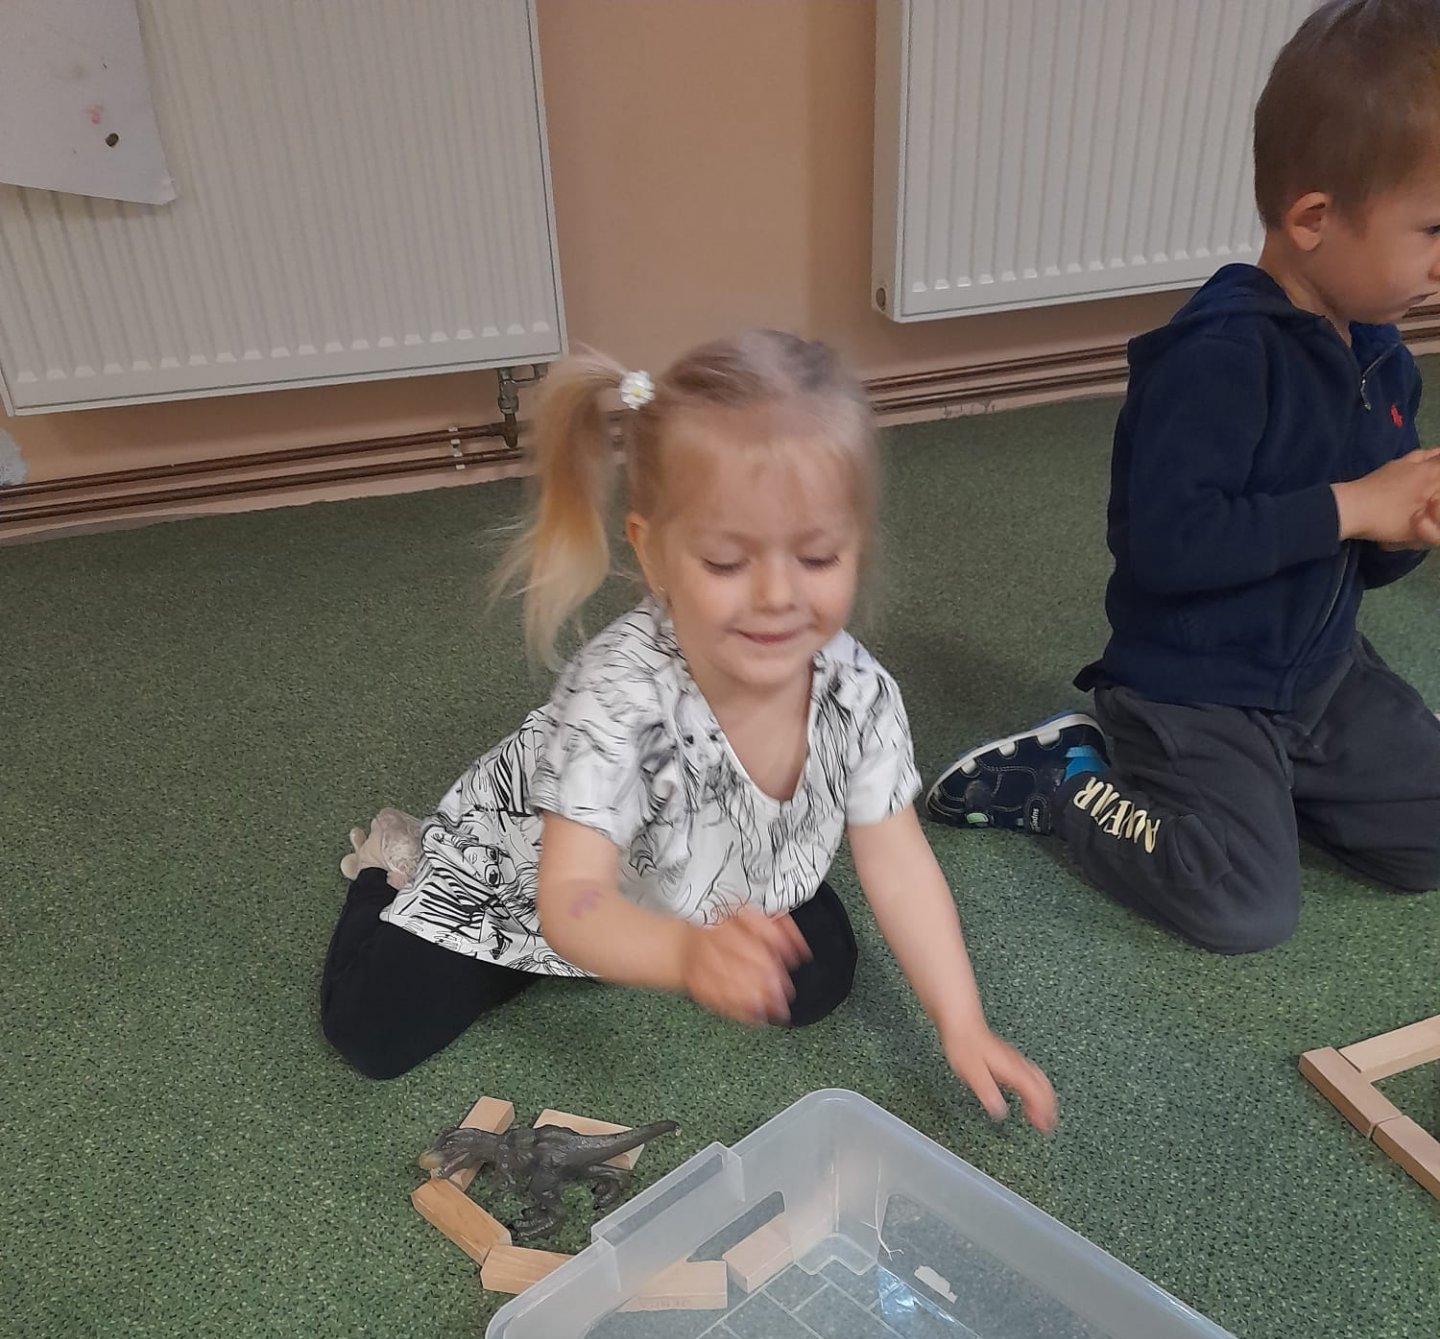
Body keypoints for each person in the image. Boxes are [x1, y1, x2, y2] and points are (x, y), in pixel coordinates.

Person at [322, 329, 1055, 1128]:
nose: (777, 597)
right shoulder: (617, 693)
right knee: (371, 1032)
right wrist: (681, 955)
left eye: (816, 557)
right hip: (532, 878)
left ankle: (665, 930)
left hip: (697, 870)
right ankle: (393, 864)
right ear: (655, 555)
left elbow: (899, 862)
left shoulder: (859, 691)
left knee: (821, 976)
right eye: (727, 563)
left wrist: (961, 1020)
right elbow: (568, 899)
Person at [927, 0, 1440, 954]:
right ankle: (1069, 778)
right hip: (1198, 686)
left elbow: (1364, 561)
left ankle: (1270, 792)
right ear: (1316, 219)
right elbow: (1169, 546)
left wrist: (1405, 526)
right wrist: (1351, 506)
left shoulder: (1381, 357)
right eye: (1435, 229)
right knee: (1243, 908)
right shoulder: (1215, 357)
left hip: (1319, 670)